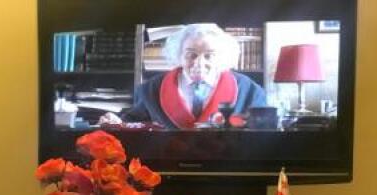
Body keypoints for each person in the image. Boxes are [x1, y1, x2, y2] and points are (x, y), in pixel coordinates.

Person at [99, 23, 266, 130]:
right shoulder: (150, 89)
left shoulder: (249, 90)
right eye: (191, 55)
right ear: (178, 55)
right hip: (167, 167)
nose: (199, 63)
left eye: (209, 56)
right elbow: (131, 124)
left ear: (222, 57)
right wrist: (115, 122)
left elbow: (262, 134)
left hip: (229, 169)